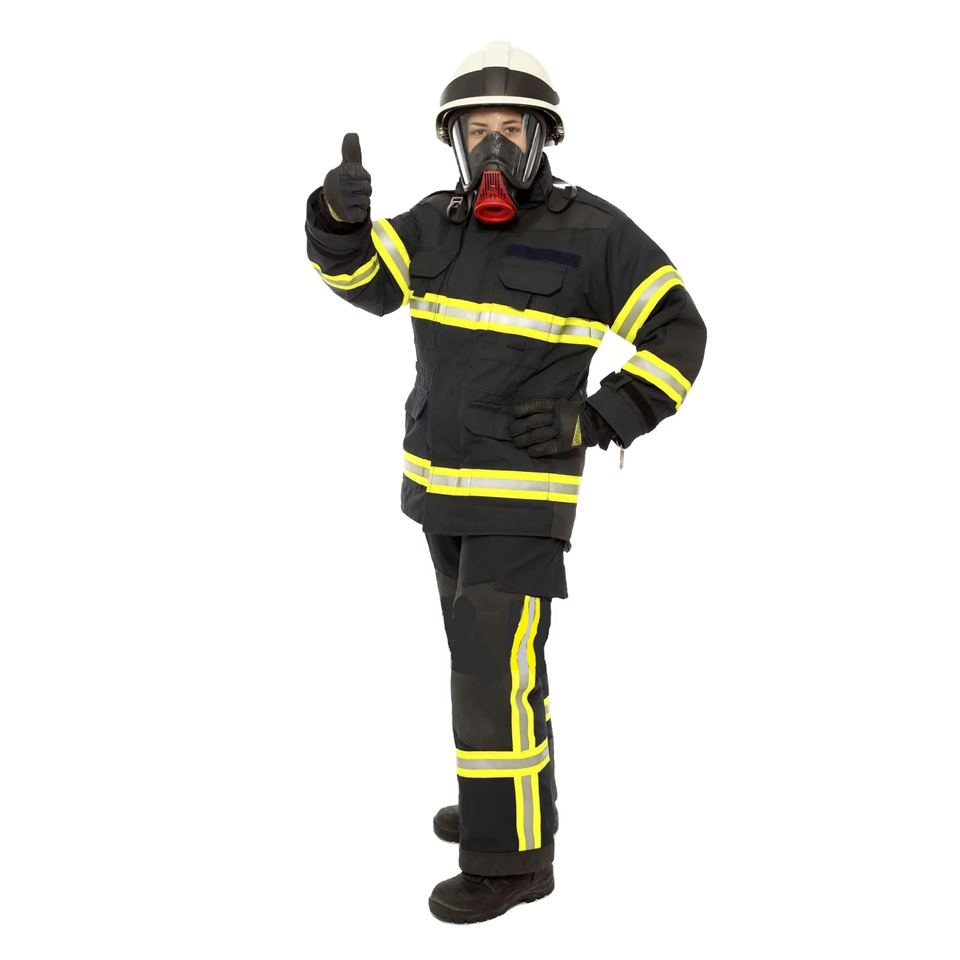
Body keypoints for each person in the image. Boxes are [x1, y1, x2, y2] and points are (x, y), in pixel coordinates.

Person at [304, 40, 707, 923]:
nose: (494, 146)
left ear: (543, 137)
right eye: (477, 129)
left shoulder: (594, 233)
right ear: (453, 139)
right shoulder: (432, 223)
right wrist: (335, 220)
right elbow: (367, 283)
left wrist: (599, 418)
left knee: (493, 674)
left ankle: (511, 860)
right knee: (489, 665)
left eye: (512, 129)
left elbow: (680, 332)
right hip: (439, 490)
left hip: (522, 503)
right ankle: (508, 803)